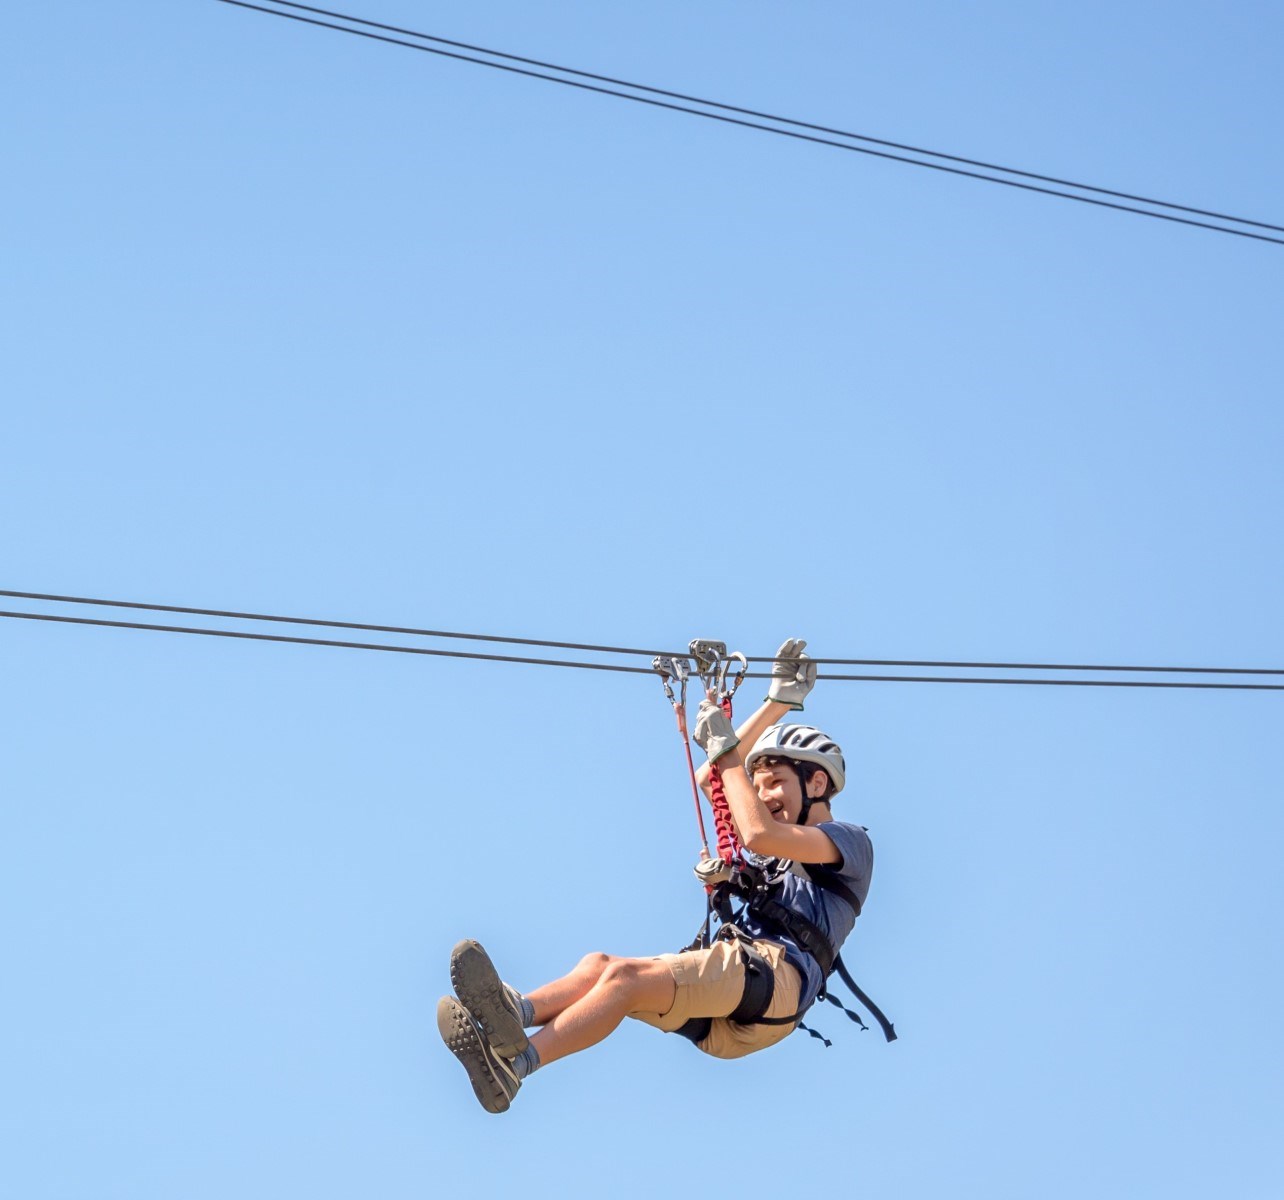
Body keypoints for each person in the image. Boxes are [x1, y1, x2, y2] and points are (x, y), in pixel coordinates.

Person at [437, 639, 874, 1113]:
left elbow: (755, 831)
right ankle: (516, 1014)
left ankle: (517, 1066)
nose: (764, 794)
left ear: (816, 783)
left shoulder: (848, 842)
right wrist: (776, 705)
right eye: (760, 785)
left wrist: (729, 752)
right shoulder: (777, 850)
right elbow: (714, 779)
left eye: (776, 783)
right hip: (739, 1005)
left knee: (625, 978)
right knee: (601, 966)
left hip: (773, 980)